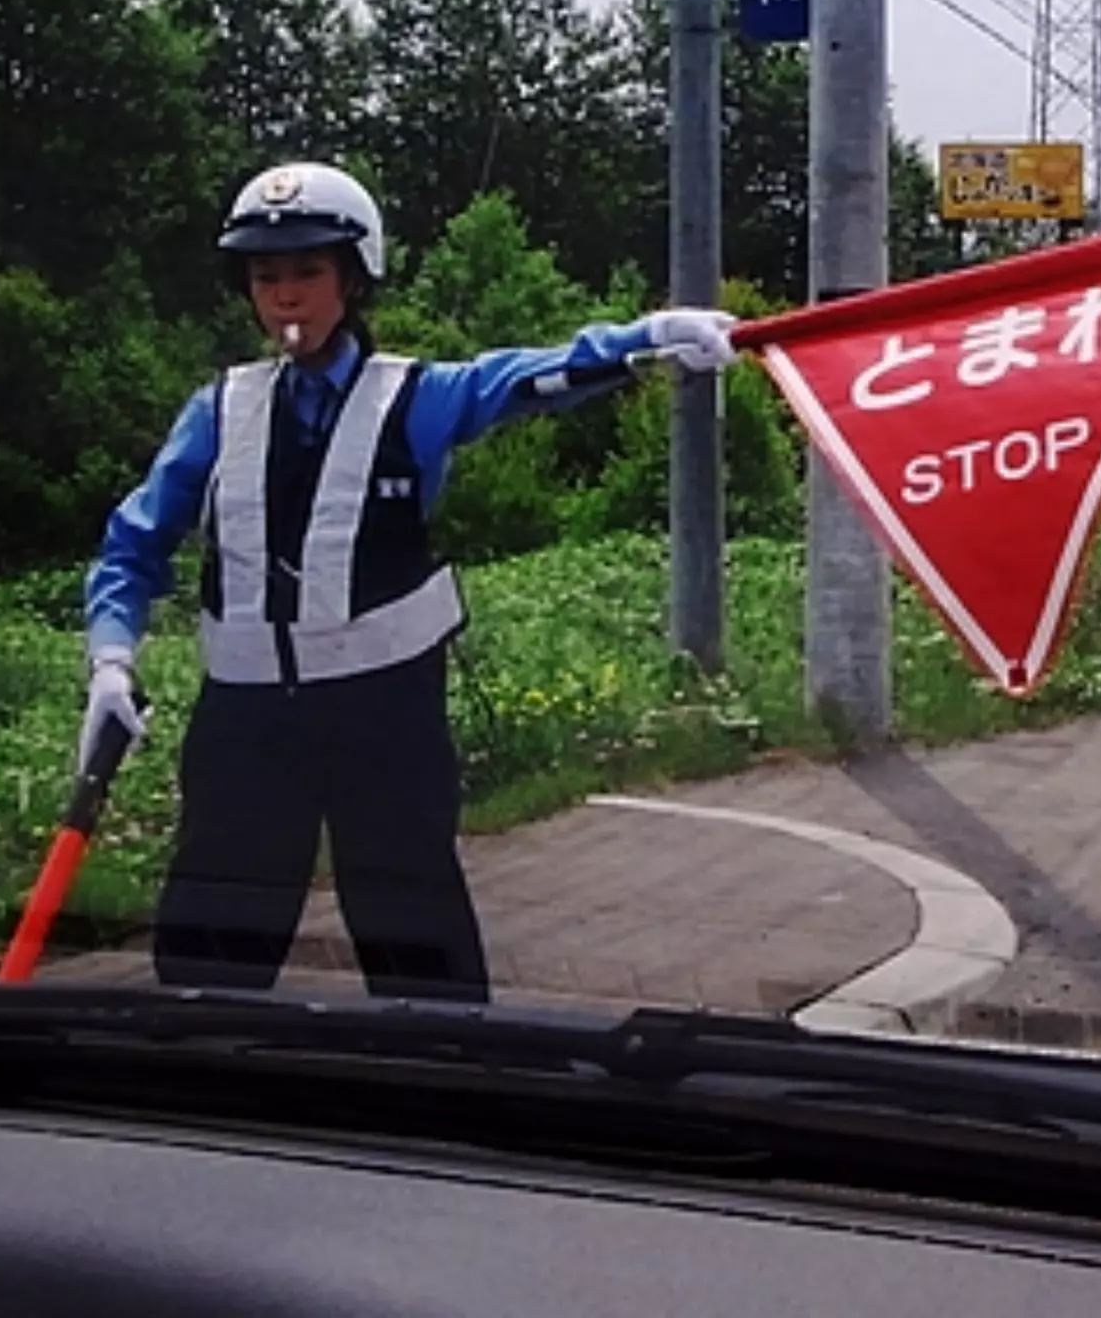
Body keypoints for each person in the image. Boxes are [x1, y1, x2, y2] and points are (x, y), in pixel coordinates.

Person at [78, 161, 737, 1001]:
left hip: (383, 717)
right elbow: (133, 543)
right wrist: (111, 660)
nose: (285, 296)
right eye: (266, 276)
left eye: (308, 271)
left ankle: (448, 1068)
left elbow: (528, 377)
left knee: (416, 945)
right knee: (209, 957)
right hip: (245, 724)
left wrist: (645, 338)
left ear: (354, 279)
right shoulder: (219, 409)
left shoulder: (415, 396)